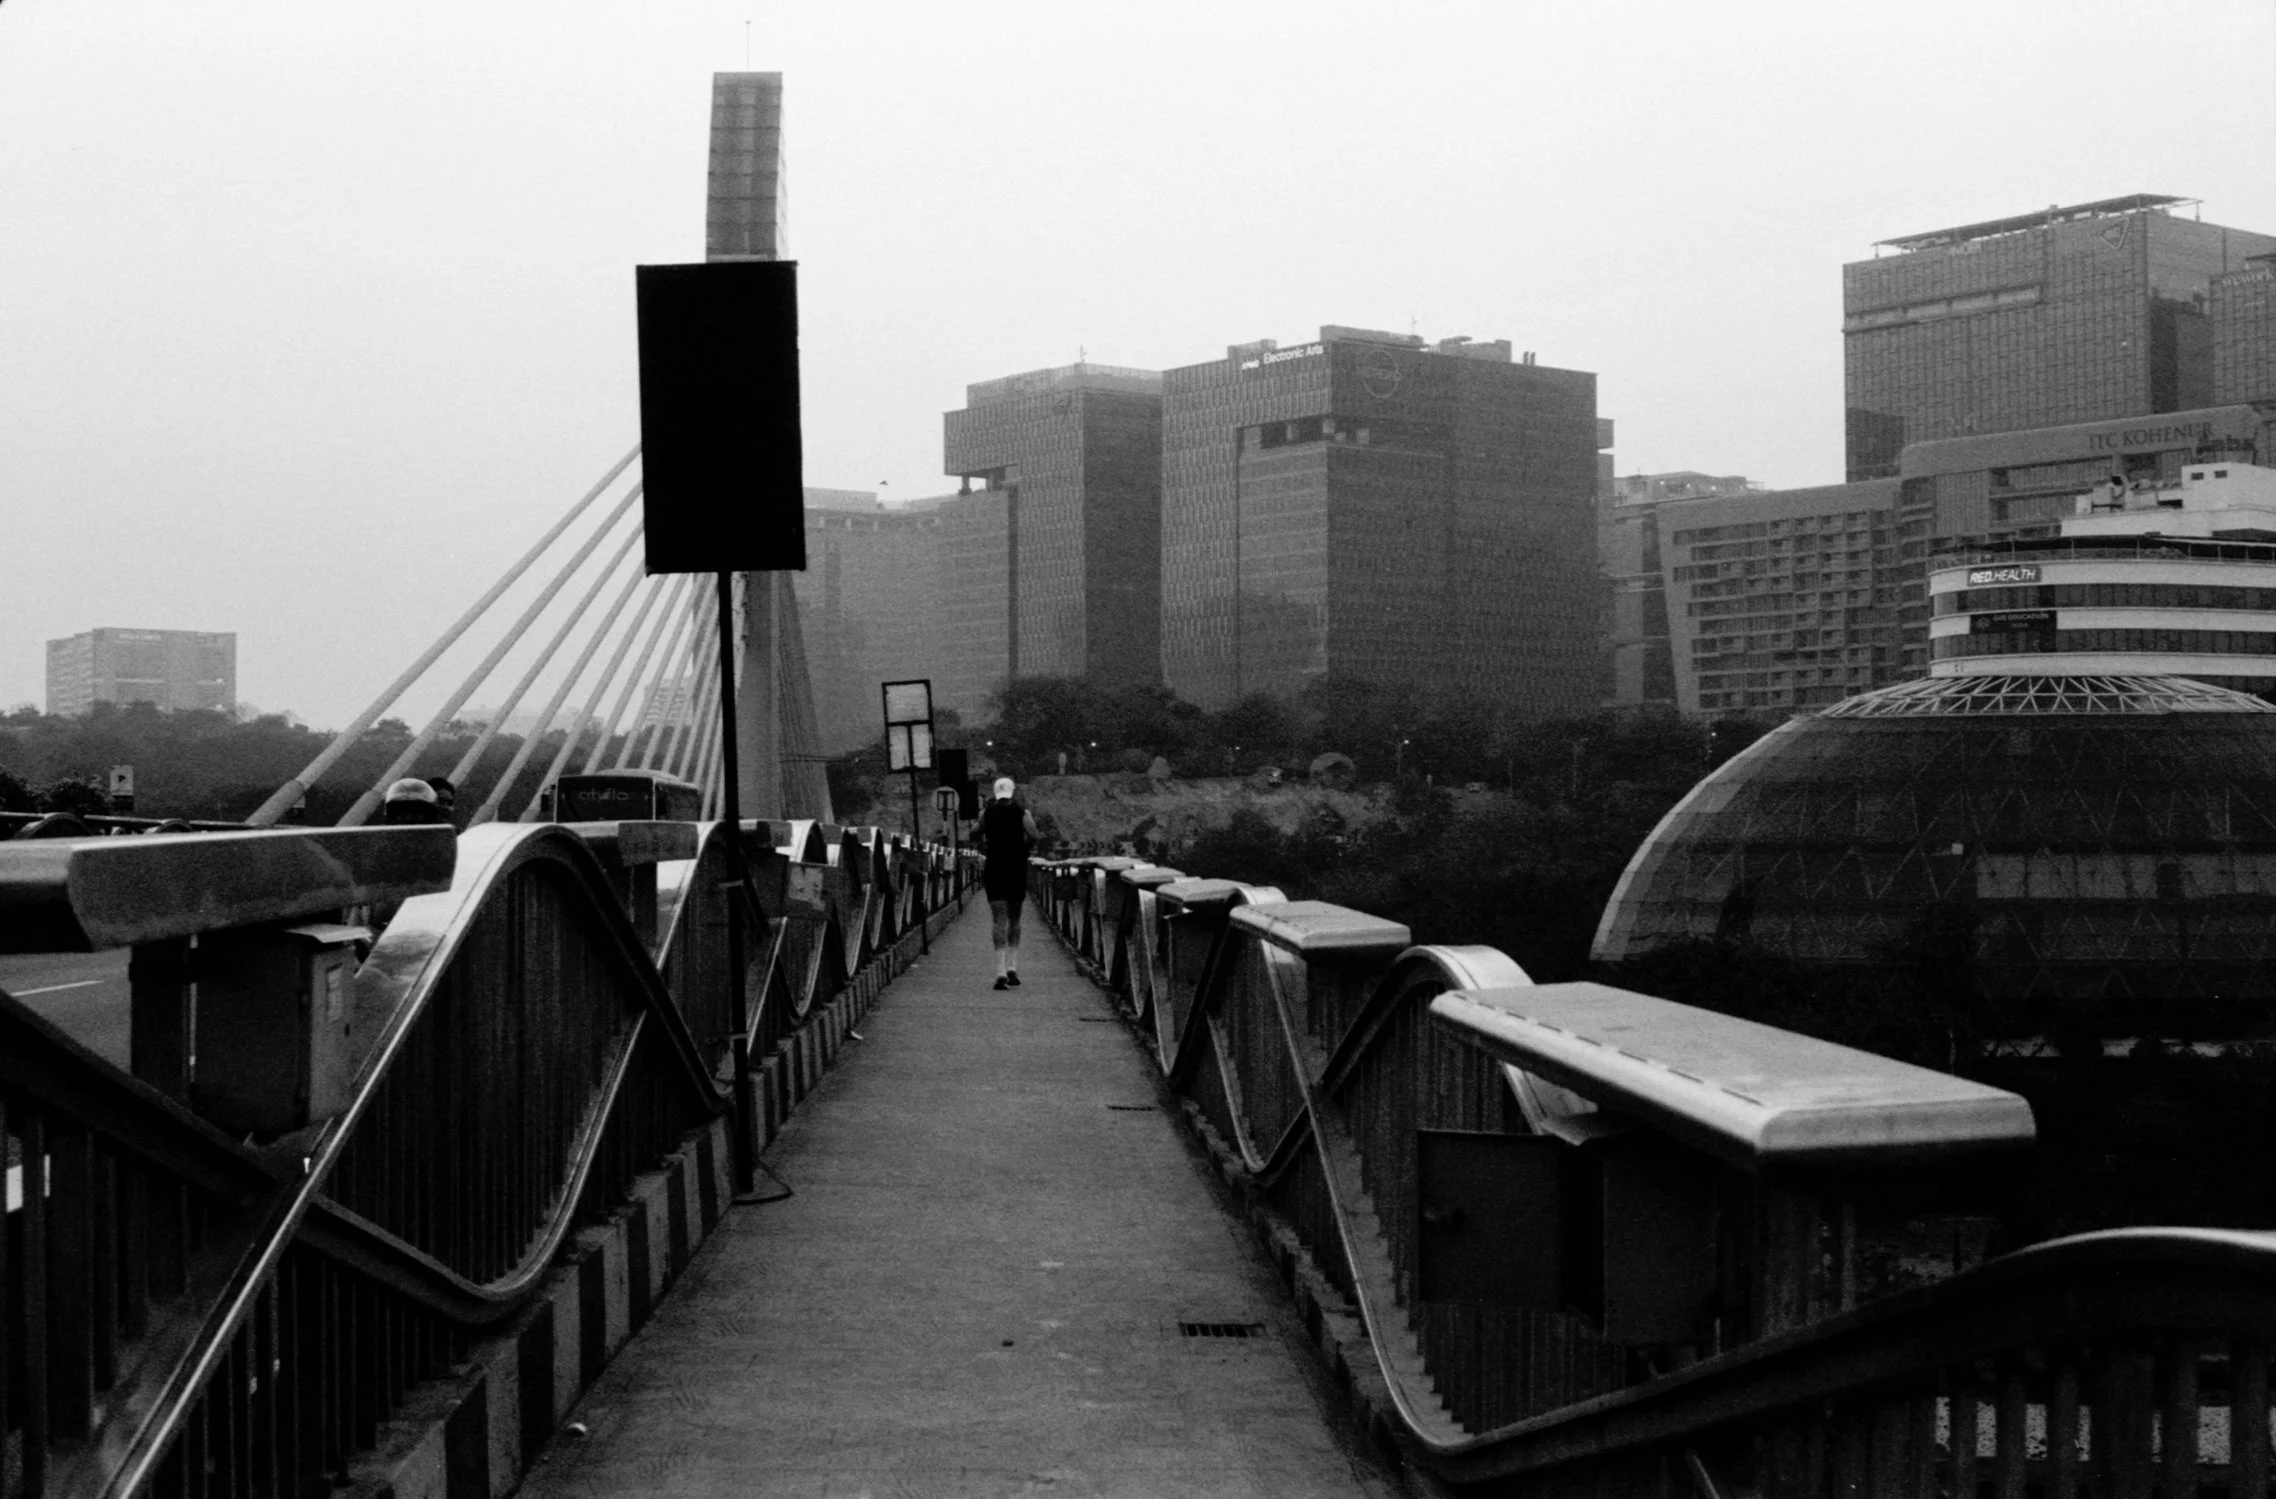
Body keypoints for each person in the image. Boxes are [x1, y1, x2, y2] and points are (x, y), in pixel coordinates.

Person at [974, 776, 1039, 990]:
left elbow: (974, 833)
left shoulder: (986, 814)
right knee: (1015, 918)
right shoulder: (1023, 813)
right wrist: (1023, 847)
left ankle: (1000, 970)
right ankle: (1012, 967)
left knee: (998, 919)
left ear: (995, 793)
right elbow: (1034, 835)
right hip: (1016, 868)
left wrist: (985, 839)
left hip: (995, 868)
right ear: (1012, 793)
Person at [380, 777, 453, 826]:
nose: (409, 817)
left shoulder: (446, 835)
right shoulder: (379, 837)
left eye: (418, 811)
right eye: (402, 812)